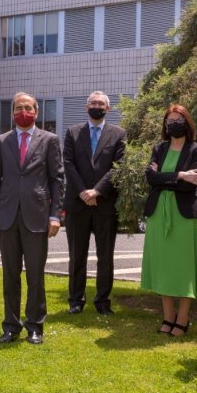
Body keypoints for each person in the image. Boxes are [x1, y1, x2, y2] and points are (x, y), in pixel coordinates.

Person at [0, 92, 64, 345]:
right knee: (10, 275)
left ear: (36, 112)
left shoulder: (50, 140)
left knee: (35, 275)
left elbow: (57, 179)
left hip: (38, 216)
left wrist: (55, 215)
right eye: (18, 108)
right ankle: (11, 326)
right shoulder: (1, 141)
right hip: (7, 216)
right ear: (12, 113)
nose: (23, 111)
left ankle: (35, 327)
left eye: (28, 107)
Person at [140, 105, 197, 337]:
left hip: (184, 214)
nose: (173, 123)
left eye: (177, 119)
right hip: (159, 212)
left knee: (184, 266)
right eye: (169, 120)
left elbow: (191, 183)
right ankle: (168, 317)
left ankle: (183, 319)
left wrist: (165, 179)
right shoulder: (159, 148)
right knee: (163, 266)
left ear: (186, 122)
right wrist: (178, 175)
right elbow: (150, 178)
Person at [63, 91, 126, 315]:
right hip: (77, 204)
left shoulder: (119, 134)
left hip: (105, 204)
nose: (96, 106)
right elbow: (68, 163)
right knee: (76, 255)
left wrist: (97, 191)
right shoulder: (72, 132)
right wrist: (83, 191)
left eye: (101, 103)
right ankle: (75, 301)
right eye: (93, 103)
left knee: (105, 256)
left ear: (108, 109)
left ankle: (102, 301)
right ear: (85, 107)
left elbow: (117, 167)